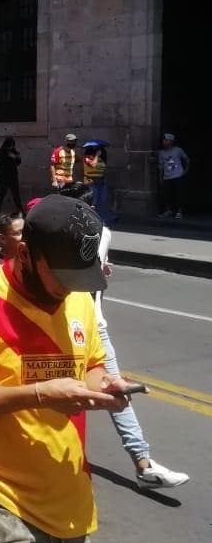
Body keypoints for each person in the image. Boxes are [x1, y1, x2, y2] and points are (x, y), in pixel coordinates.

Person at [0, 194, 134, 543]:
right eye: (62, 277)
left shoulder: (79, 300)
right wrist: (37, 394)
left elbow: (92, 366)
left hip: (70, 499)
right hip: (1, 503)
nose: (69, 289)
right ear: (24, 254)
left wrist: (104, 385)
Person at [57, 183, 189, 491]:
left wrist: (99, 272)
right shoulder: (98, 231)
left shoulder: (82, 233)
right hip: (60, 321)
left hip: (89, 324)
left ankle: (143, 463)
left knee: (115, 391)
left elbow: (87, 277)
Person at [156, 133, 188, 219]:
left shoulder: (178, 150)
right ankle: (168, 210)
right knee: (165, 195)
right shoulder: (161, 153)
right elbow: (161, 167)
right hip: (167, 176)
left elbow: (186, 159)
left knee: (179, 194)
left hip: (178, 175)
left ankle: (179, 212)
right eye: (163, 141)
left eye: (166, 140)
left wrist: (185, 171)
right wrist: (160, 178)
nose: (164, 142)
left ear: (171, 141)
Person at [0, 137, 23, 214]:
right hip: (3, 175)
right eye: (10, 144)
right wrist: (8, 156)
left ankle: (20, 210)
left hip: (13, 175)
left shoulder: (15, 151)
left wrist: (14, 156)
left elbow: (18, 161)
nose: (11, 146)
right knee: (2, 192)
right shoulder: (0, 151)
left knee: (16, 194)